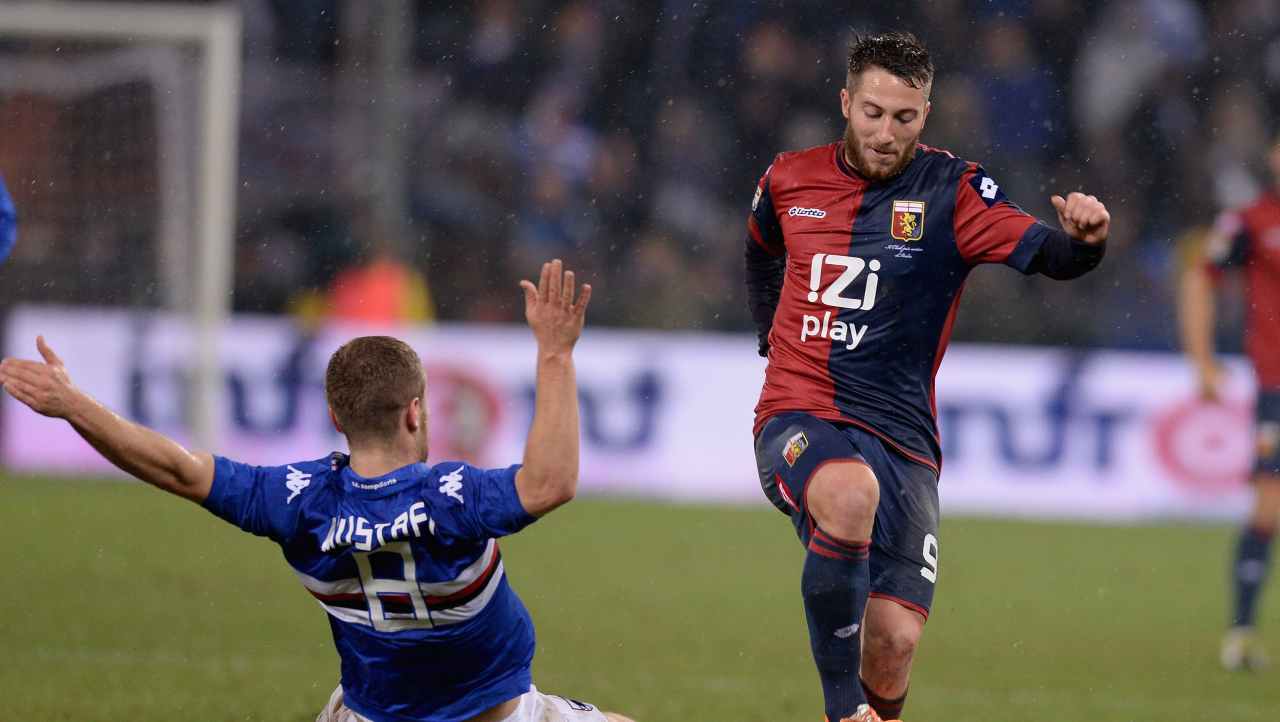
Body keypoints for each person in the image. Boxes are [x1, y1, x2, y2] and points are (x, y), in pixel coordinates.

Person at [0, 260, 633, 722]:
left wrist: (73, 405)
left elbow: (176, 468)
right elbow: (550, 482)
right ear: (416, 411)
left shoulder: (296, 500)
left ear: (337, 416)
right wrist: (555, 353)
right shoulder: (453, 497)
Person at [744, 32, 1108, 722]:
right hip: (799, 415)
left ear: (926, 115)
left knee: (894, 639)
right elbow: (761, 248)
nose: (885, 133)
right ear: (846, 103)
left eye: (904, 118)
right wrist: (770, 335)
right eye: (873, 113)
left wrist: (1086, 242)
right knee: (849, 495)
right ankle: (842, 711)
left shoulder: (954, 191)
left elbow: (1048, 255)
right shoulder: (789, 178)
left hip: (905, 439)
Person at [1179, 136, 1280, 672]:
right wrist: (1202, 360)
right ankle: (1241, 632)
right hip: (1277, 387)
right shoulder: (1249, 222)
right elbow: (1201, 278)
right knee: (1269, 505)